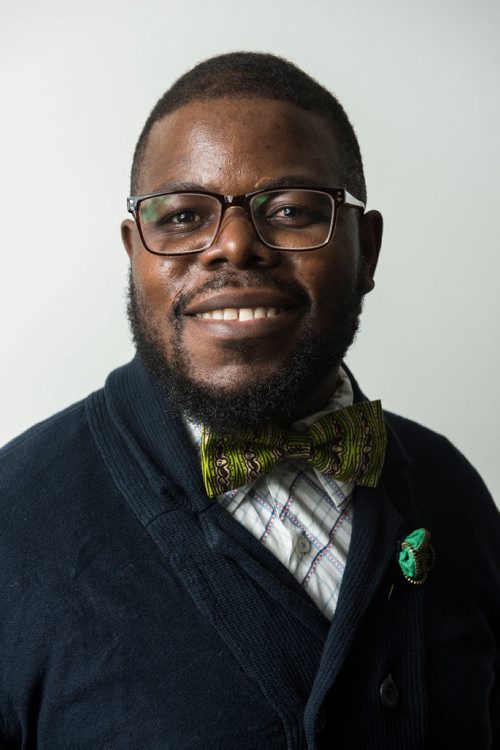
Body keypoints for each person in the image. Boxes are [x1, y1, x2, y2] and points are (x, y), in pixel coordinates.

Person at [0, 52, 498, 750]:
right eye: (181, 217)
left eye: (292, 210)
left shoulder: (453, 492)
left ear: (369, 251)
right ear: (134, 252)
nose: (234, 245)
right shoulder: (11, 522)